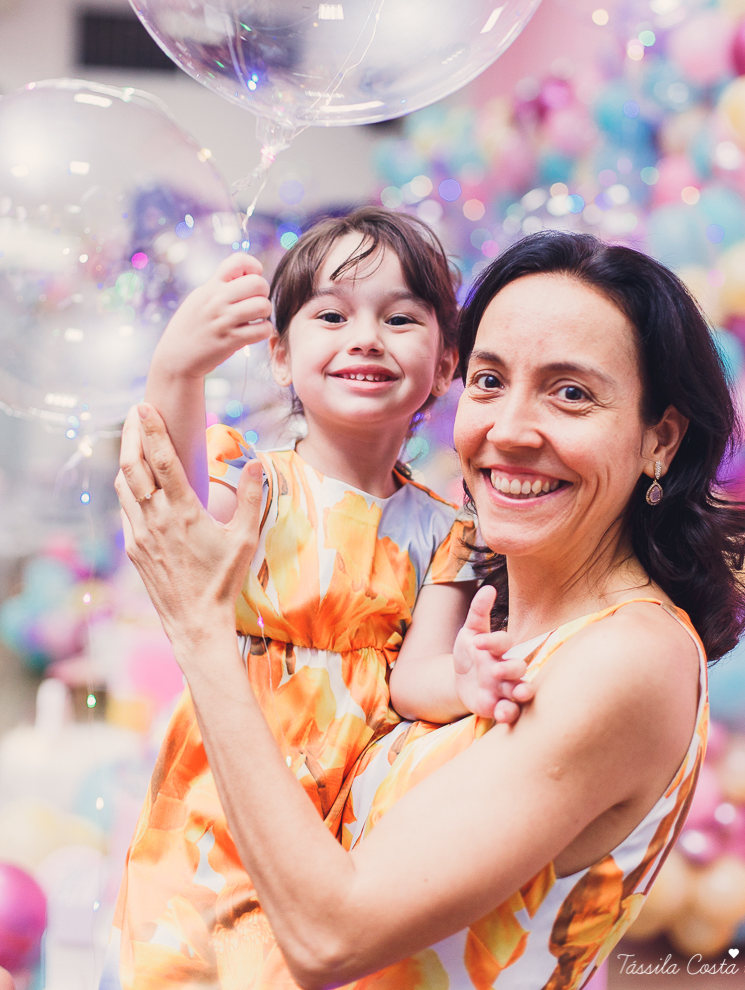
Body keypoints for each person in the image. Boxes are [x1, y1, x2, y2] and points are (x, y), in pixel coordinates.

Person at [114, 231, 745, 990]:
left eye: (571, 392)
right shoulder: (487, 626)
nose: (510, 431)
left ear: (660, 439)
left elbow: (332, 935)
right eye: (491, 382)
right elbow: (176, 500)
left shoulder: (628, 656)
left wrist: (200, 629)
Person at [109, 208, 532, 985]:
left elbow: (413, 679)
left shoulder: (448, 531)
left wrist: (464, 676)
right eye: (332, 315)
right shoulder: (257, 482)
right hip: (227, 790)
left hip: (343, 823)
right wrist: (178, 371)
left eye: (401, 318)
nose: (365, 336)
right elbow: (173, 517)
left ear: (444, 367)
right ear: (279, 355)